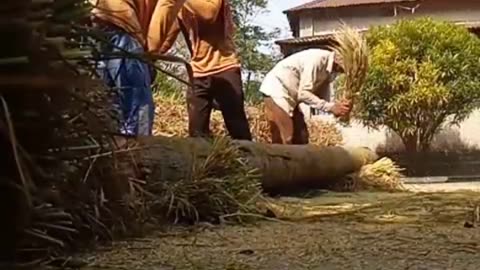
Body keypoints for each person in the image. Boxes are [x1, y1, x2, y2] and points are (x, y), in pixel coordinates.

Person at [157, 0, 252, 140]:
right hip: (197, 72)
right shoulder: (181, 7)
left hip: (225, 67)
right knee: (196, 133)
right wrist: (148, 55)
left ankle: (249, 159)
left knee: (237, 127)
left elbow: (209, 13)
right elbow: (166, 39)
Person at [90, 0, 186, 136]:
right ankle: (139, 149)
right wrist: (149, 55)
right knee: (138, 104)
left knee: (105, 98)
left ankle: (106, 147)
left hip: (92, 19)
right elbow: (166, 8)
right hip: (121, 21)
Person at [259, 48, 351, 145]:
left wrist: (338, 108)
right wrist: (331, 107)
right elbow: (303, 94)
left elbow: (320, 97)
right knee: (286, 136)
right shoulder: (317, 60)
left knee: (302, 138)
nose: (343, 72)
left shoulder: (331, 70)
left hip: (292, 98)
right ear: (339, 60)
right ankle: (280, 159)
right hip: (276, 90)